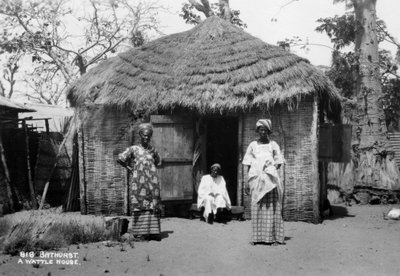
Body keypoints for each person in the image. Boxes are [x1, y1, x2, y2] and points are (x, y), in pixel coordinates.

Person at [242, 119, 285, 245]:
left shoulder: (273, 145)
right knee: (257, 208)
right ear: (258, 131)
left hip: (270, 181)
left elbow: (279, 162)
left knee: (271, 207)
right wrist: (246, 182)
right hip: (256, 181)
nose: (263, 132)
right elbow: (247, 163)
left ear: (268, 131)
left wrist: (271, 169)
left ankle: (272, 238)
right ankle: (256, 238)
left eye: (265, 130)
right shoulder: (253, 145)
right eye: (261, 129)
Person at [117, 123, 162, 240]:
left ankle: (153, 232)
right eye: (145, 135)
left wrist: (151, 171)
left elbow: (158, 162)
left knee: (153, 204)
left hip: (152, 184)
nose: (146, 138)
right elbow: (120, 159)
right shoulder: (134, 149)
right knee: (140, 204)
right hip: (139, 183)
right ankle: (141, 233)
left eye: (149, 136)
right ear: (140, 135)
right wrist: (130, 169)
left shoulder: (153, 150)